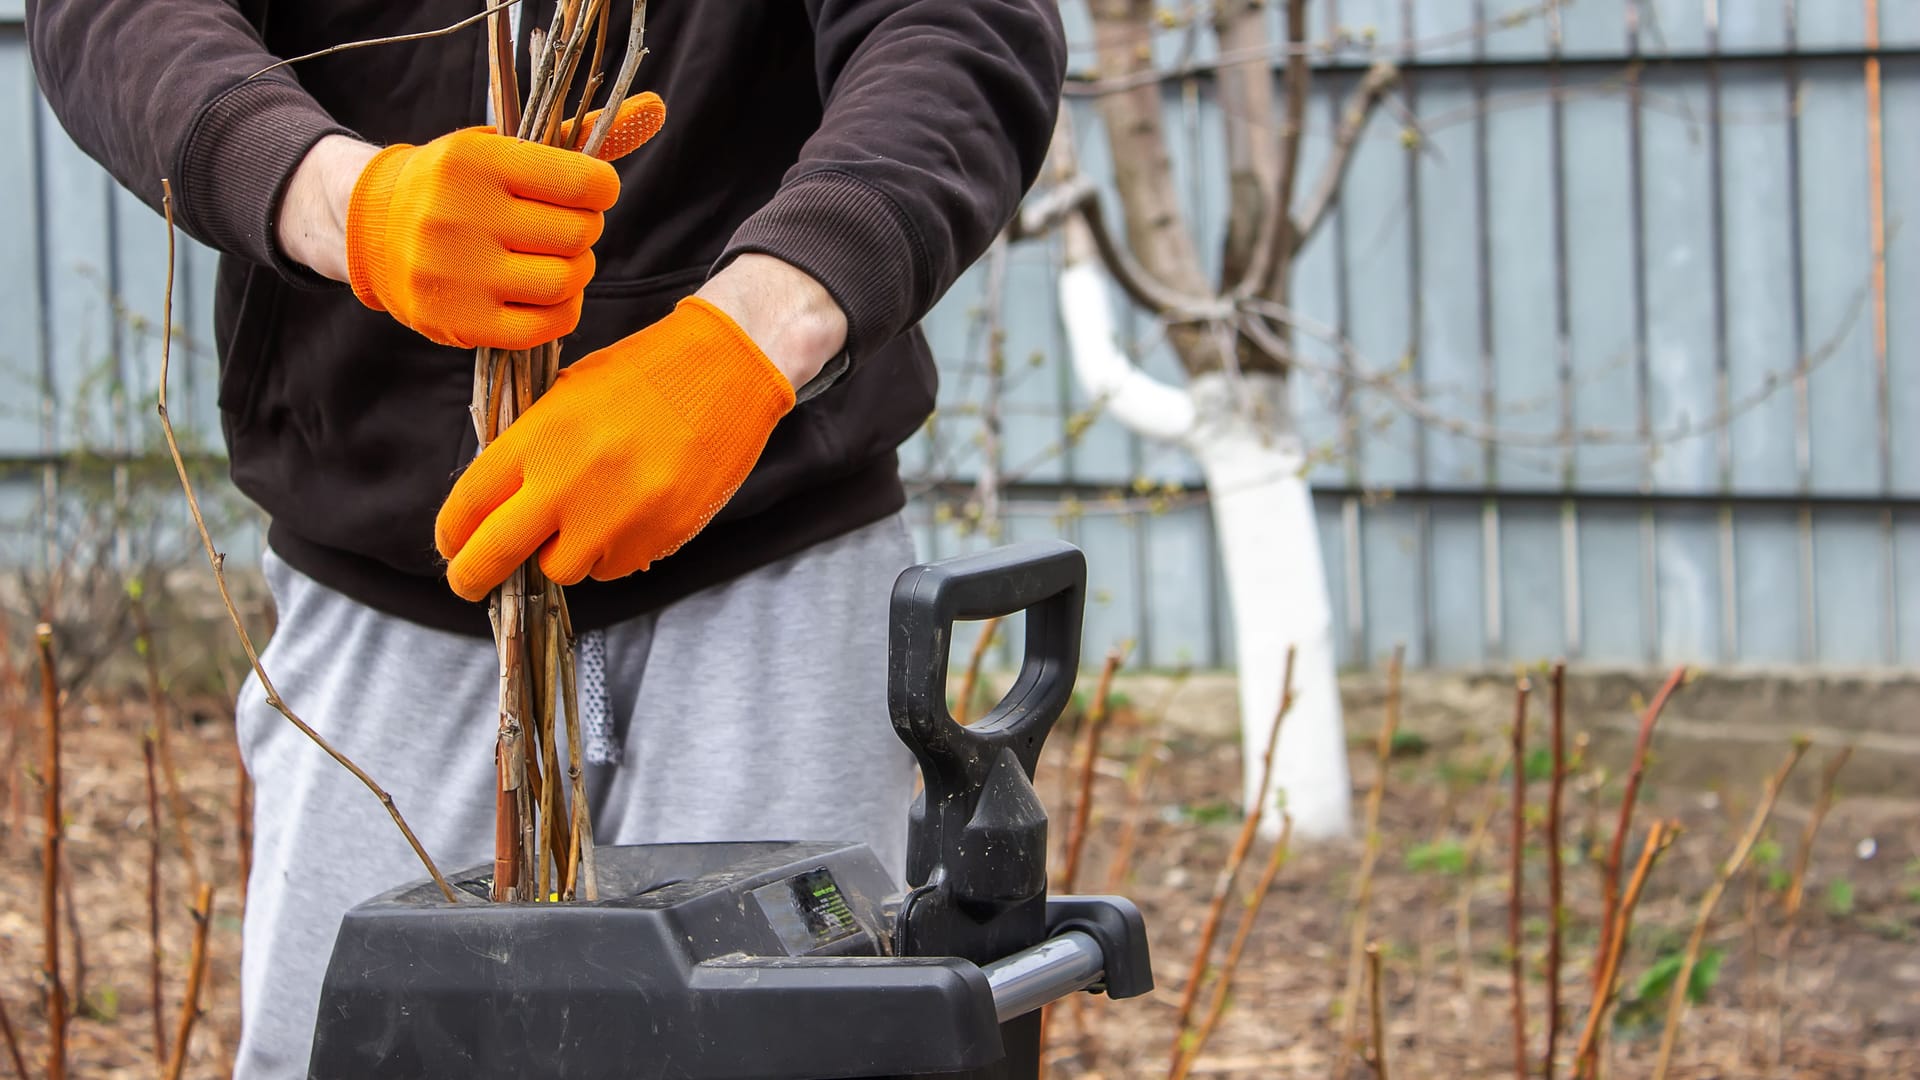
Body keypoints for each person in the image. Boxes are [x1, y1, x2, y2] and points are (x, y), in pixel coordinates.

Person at [25, 1, 1067, 1074]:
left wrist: (758, 334)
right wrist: (343, 202)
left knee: (789, 1045)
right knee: (357, 1047)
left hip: (775, 562)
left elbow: (955, 32)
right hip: (388, 576)